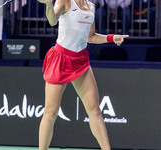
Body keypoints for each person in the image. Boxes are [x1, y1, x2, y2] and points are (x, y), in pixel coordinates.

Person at [37, 0, 129, 150]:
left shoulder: (91, 7)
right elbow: (52, 20)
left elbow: (90, 37)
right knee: (50, 112)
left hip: (80, 61)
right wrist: (48, 4)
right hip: (60, 59)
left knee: (95, 109)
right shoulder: (64, 1)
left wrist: (111, 38)